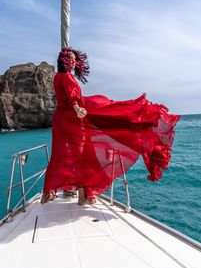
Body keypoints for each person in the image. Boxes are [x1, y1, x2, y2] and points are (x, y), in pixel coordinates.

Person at [41, 47, 180, 204]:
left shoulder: (57, 76)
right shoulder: (66, 76)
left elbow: (67, 95)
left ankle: (50, 193)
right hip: (73, 118)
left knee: (62, 156)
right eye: (71, 59)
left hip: (60, 120)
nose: (74, 63)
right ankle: (83, 195)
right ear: (64, 60)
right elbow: (72, 95)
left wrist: (77, 107)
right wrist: (77, 108)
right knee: (83, 155)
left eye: (75, 60)